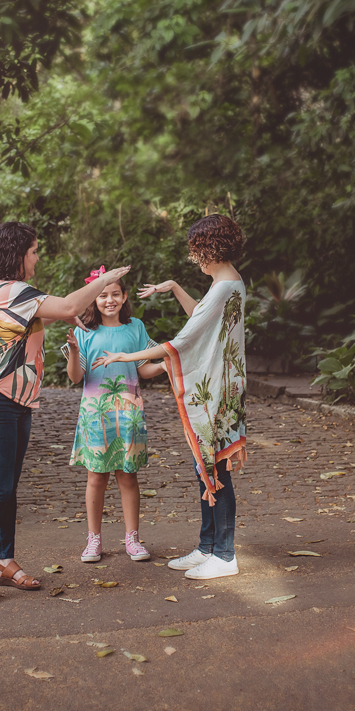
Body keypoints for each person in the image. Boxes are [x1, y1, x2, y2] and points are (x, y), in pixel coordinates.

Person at [0, 221, 131, 605]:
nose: (37, 257)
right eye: (34, 251)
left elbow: (49, 315)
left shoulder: (7, 292)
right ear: (18, 254)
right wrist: (106, 282)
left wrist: (70, 314)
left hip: (14, 400)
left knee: (7, 487)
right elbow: (68, 305)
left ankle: (4, 562)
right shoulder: (9, 289)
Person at [93, 214, 247, 581]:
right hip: (223, 386)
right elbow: (200, 316)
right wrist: (175, 286)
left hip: (218, 393)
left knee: (217, 469)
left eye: (197, 252)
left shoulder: (226, 287)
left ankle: (224, 555)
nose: (196, 258)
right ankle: (208, 546)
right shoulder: (229, 282)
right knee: (206, 465)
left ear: (210, 248)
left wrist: (124, 356)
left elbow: (184, 341)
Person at [65, 266, 167, 563]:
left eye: (115, 294)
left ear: (124, 297)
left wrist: (162, 366)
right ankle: (93, 539)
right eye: (102, 295)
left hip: (129, 414)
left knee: (128, 476)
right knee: (96, 477)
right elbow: (75, 377)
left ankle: (132, 539)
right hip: (96, 414)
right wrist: (73, 351)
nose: (109, 300)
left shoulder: (135, 327)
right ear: (94, 299)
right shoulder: (83, 331)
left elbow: (143, 368)